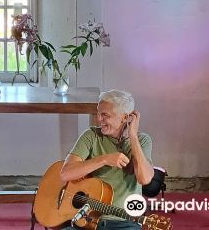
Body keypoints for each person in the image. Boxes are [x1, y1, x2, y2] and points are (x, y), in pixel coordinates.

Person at [59, 89, 154, 230]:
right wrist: (103, 160)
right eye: (98, 113)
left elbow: (144, 179)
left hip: (124, 221)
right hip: (87, 218)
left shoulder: (142, 140)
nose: (99, 119)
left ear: (125, 117)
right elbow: (65, 173)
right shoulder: (91, 135)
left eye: (105, 115)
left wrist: (133, 136)